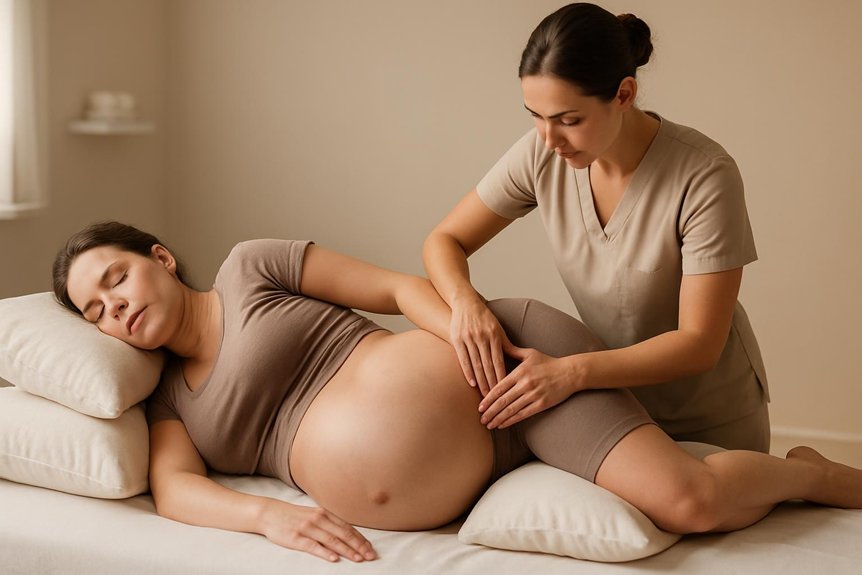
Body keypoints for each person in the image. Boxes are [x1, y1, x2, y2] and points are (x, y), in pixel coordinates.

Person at [54, 221, 862, 564]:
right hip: (480, 466)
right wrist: (272, 514)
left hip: (514, 374)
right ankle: (798, 471)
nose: (115, 307)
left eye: (115, 278)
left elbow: (400, 288)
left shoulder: (249, 266)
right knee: (681, 502)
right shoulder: (168, 405)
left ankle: (814, 473)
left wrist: (466, 340)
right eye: (96, 309)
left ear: (159, 256)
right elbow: (174, 490)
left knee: (686, 502)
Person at [423, 2, 770, 451]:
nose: (550, 139)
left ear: (624, 95)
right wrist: (465, 304)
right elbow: (444, 241)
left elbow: (699, 343)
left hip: (710, 416)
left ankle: (811, 470)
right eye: (535, 115)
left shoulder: (704, 175)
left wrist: (570, 371)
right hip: (616, 411)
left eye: (570, 120)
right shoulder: (542, 153)